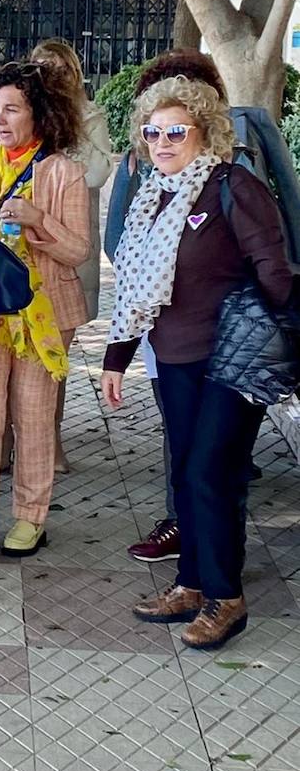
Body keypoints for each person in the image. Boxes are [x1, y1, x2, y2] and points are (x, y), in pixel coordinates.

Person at [102, 76, 291, 650]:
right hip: (175, 355)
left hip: (232, 359)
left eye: (175, 131)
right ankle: (189, 583)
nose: (162, 141)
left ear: (204, 132)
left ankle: (225, 596)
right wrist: (116, 359)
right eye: (152, 131)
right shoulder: (152, 194)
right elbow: (135, 287)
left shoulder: (234, 187)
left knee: (213, 472)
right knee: (185, 469)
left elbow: (276, 273)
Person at [0, 60, 89, 561]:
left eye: (13, 108)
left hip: (44, 314)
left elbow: (77, 251)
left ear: (41, 114)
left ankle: (31, 520)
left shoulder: (63, 171)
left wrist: (38, 220)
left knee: (33, 420)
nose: (1, 118)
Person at [30, 39, 115, 473]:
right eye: (43, 65)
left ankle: (52, 438)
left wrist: (71, 127)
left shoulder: (90, 115)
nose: (52, 71)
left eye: (60, 64)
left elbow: (99, 171)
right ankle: (11, 441)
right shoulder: (22, 110)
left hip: (69, 245)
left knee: (55, 351)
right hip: (22, 244)